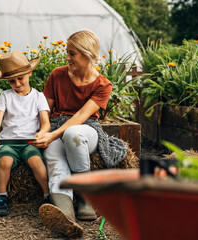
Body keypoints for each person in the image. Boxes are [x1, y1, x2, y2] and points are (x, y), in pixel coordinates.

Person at [31, 30, 128, 237]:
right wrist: (44, 130)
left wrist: (53, 135)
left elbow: (82, 115)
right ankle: (64, 215)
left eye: (72, 53)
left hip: (87, 130)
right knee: (55, 163)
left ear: (87, 54)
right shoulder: (57, 74)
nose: (67, 58)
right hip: (56, 125)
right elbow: (45, 110)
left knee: (72, 133)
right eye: (68, 52)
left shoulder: (103, 84)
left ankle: (85, 196)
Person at [0, 50, 51, 217]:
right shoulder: (5, 96)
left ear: (29, 72)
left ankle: (47, 195)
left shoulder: (38, 96)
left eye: (20, 78)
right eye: (11, 81)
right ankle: (1, 196)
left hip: (30, 142)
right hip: (9, 142)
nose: (17, 83)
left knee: (37, 162)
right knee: (5, 162)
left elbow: (45, 124)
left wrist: (41, 133)